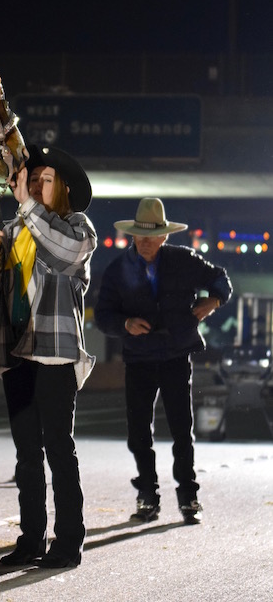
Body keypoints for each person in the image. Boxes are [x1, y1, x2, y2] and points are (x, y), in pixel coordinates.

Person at [0, 144, 97, 569]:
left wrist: (28, 207)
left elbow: (62, 253)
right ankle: (31, 539)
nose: (34, 185)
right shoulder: (16, 228)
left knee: (58, 449)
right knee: (26, 454)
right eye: (32, 179)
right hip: (18, 354)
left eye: (44, 179)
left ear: (62, 187)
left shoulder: (78, 228)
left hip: (55, 357)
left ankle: (69, 542)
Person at [94, 197, 232, 525]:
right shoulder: (118, 269)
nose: (145, 242)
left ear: (164, 236)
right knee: (139, 431)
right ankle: (147, 496)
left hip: (175, 355)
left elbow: (221, 280)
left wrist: (211, 302)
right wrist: (124, 324)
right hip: (139, 357)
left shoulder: (185, 261)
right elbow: (102, 315)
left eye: (151, 236)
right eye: (139, 236)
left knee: (182, 430)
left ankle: (189, 498)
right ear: (132, 236)